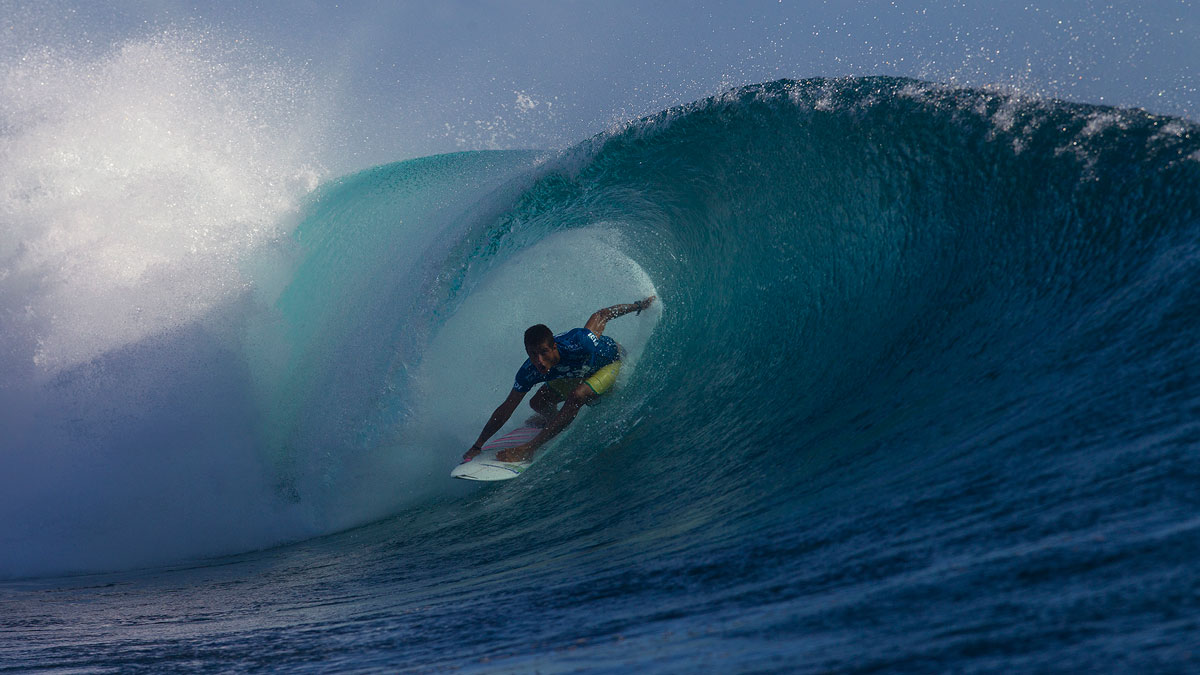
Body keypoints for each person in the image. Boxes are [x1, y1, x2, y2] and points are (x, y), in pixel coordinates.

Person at [462, 295, 657, 464]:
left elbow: (602, 315)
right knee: (537, 402)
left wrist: (638, 306)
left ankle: (531, 446)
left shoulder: (579, 342)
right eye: (532, 354)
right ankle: (557, 421)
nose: (539, 360)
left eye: (544, 352)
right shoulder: (530, 370)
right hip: (577, 374)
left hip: (611, 362)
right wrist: (478, 445)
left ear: (554, 347)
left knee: (577, 395)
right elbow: (507, 407)